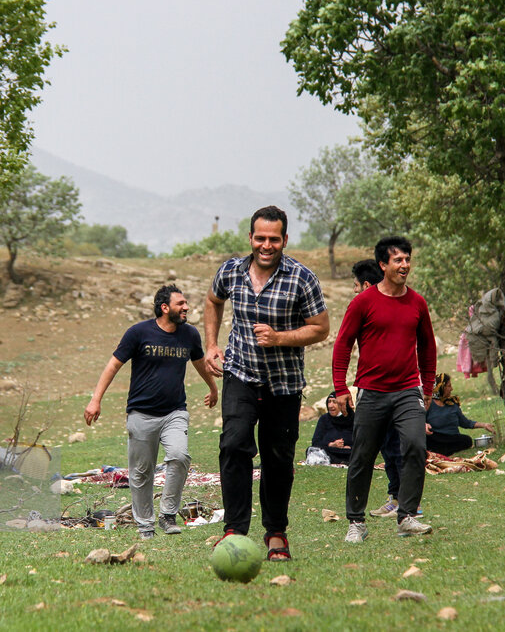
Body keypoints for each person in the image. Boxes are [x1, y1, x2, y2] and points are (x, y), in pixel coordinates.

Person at [204, 205, 329, 561]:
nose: (267, 245)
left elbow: (320, 328)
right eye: (260, 238)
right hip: (240, 375)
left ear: (285, 239)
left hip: (284, 384)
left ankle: (276, 533)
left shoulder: (302, 278)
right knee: (233, 445)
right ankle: (234, 531)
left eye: (274, 239)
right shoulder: (231, 270)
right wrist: (211, 345)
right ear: (250, 238)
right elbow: (213, 301)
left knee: (277, 458)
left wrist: (279, 338)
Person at [85, 285, 218, 539]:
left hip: (174, 412)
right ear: (165, 307)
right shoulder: (138, 333)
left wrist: (212, 387)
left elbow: (199, 362)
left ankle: (168, 514)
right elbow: (114, 365)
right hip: (141, 414)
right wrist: (95, 400)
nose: (186, 307)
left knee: (179, 456)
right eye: (181, 303)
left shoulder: (189, 334)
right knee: (141, 473)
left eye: (186, 303)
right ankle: (145, 524)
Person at [333, 236, 436, 541]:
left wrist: (427, 387)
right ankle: (356, 523)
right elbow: (342, 345)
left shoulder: (417, 302)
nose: (404, 265)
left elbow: (428, 348)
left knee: (416, 447)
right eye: (398, 260)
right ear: (383, 265)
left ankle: (406, 516)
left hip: (408, 390)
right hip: (371, 391)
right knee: (362, 456)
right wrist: (340, 387)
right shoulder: (363, 302)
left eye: (407, 259)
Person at [350, 259, 407, 519]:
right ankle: (396, 496)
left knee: (395, 447)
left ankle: (402, 500)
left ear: (365, 284)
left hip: (392, 390)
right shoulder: (373, 308)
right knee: (388, 446)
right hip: (377, 390)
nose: (354, 291)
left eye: (355, 286)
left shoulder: (391, 307)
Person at [425, 373, 495, 455]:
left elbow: (465, 422)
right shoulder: (429, 404)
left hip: (452, 438)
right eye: (449, 386)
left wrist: (484, 425)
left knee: (466, 440)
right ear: (441, 387)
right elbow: (418, 421)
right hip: (436, 438)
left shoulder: (452, 403)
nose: (451, 389)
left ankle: (439, 451)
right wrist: (424, 424)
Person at [309, 392, 354, 464]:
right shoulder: (324, 419)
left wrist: (350, 447)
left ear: (343, 404)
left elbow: (362, 442)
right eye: (329, 402)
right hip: (329, 451)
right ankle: (341, 461)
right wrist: (331, 444)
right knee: (312, 450)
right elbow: (315, 442)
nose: (330, 405)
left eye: (334, 402)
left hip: (348, 452)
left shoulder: (353, 418)